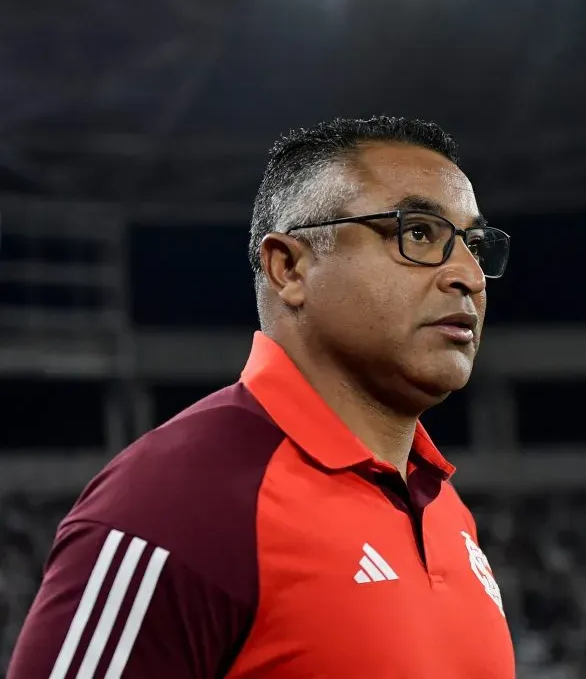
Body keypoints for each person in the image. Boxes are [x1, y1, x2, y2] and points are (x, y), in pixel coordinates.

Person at [7, 116, 515, 678]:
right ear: (289, 267)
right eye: (418, 232)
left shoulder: (447, 511)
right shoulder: (172, 502)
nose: (469, 274)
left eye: (474, 245)